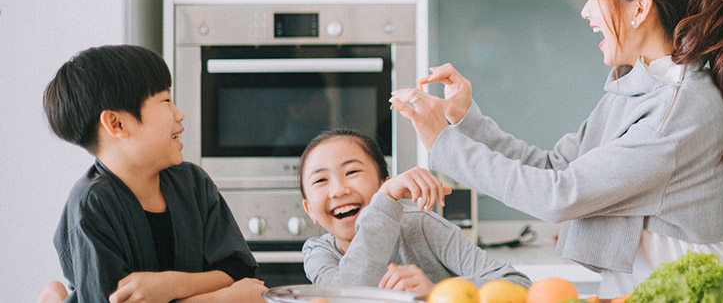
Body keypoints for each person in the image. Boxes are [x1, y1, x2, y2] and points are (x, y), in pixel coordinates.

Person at [391, 0, 723, 297]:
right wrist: (464, 120)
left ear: (639, 9)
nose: (586, 12)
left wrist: (443, 142)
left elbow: (560, 194)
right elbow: (556, 167)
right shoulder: (641, 89)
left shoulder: (676, 110)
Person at [40, 44, 265, 303]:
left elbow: (239, 271)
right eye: (166, 101)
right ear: (117, 124)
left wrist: (171, 285)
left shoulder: (193, 182)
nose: (179, 114)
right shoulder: (91, 205)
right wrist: (222, 299)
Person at [299, 128, 530, 294]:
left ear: (385, 186)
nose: (339, 190)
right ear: (309, 209)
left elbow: (517, 284)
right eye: (320, 180)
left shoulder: (420, 226)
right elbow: (346, 297)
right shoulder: (319, 252)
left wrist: (437, 293)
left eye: (352, 172)